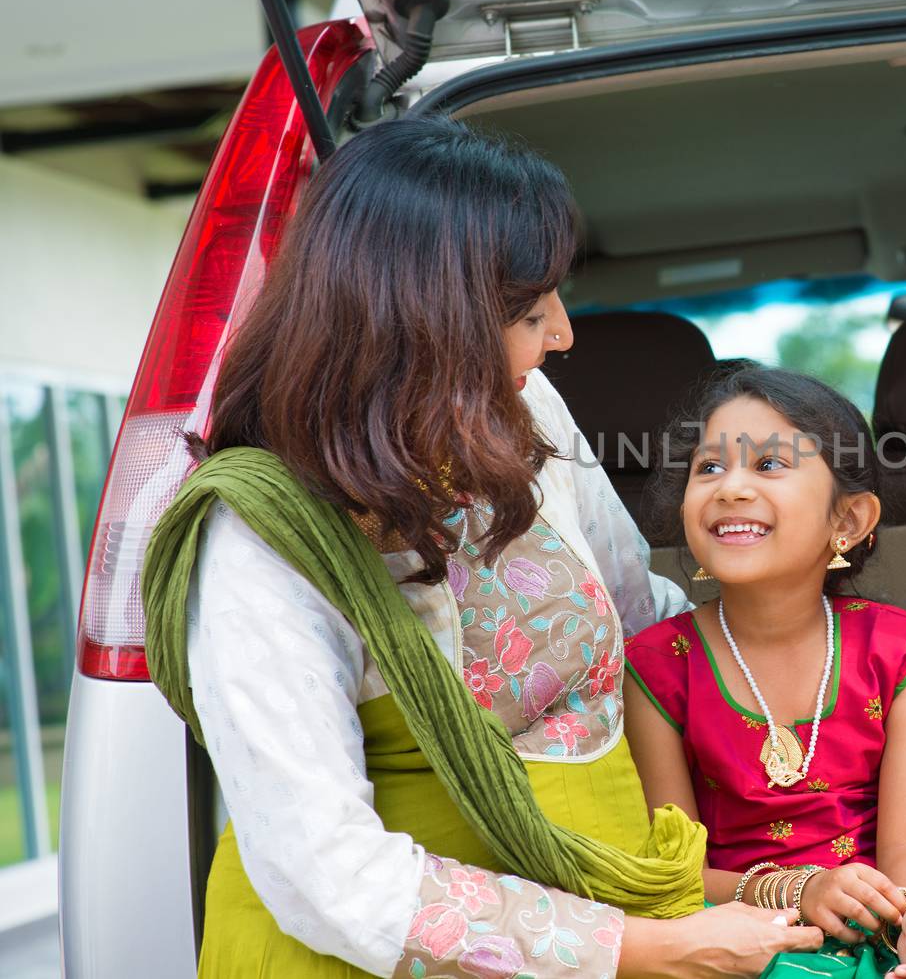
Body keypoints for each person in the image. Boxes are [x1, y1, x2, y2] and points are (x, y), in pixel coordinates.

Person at [139, 116, 825, 977]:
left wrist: (824, 662)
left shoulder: (525, 409)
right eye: (533, 311)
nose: (566, 334)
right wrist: (638, 949)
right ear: (427, 325)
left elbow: (644, 612)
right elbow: (328, 876)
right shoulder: (261, 539)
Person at [624, 365, 906, 979]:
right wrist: (799, 894)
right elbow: (675, 873)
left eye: (769, 465)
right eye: (709, 468)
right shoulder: (656, 666)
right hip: (744, 939)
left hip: (889, 917)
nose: (729, 488)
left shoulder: (897, 649)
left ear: (847, 522)